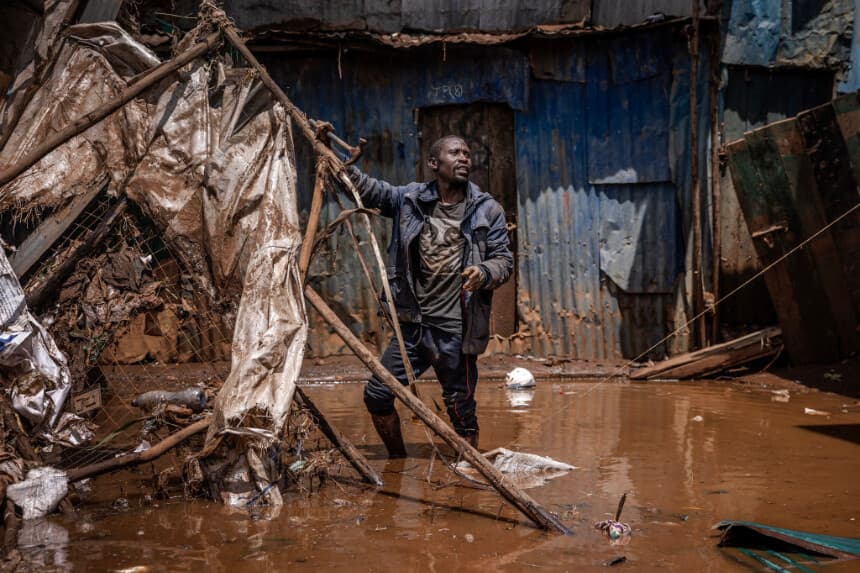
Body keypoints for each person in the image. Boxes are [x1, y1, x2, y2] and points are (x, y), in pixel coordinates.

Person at [348, 135, 513, 457]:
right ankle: (397, 462)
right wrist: (342, 165)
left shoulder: (487, 209)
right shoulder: (408, 199)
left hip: (456, 330)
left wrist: (484, 273)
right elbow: (368, 190)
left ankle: (467, 471)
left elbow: (504, 260)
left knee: (460, 410)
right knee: (377, 394)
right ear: (434, 163)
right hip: (413, 325)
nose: (464, 158)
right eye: (455, 153)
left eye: (467, 153)